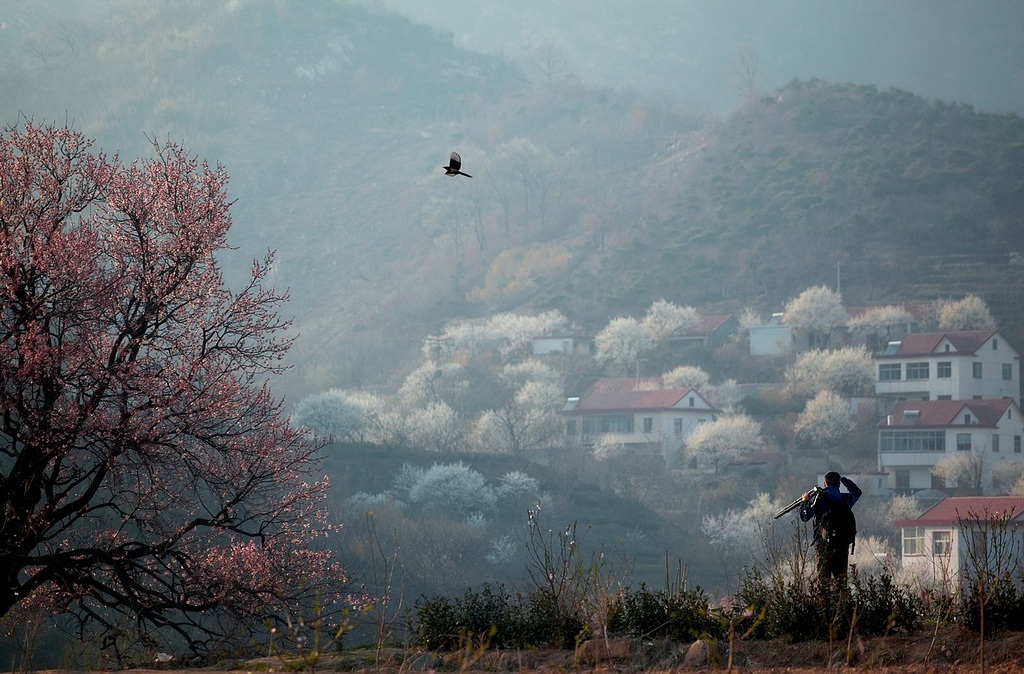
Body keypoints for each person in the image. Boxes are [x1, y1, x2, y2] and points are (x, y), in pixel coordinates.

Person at [799, 471, 862, 585]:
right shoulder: (845, 500)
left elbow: (804, 516)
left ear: (824, 483)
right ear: (839, 484)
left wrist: (804, 502)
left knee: (823, 584)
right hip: (841, 546)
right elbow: (857, 492)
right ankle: (843, 602)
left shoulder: (818, 499)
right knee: (841, 583)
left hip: (823, 545)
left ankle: (824, 602)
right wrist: (844, 480)